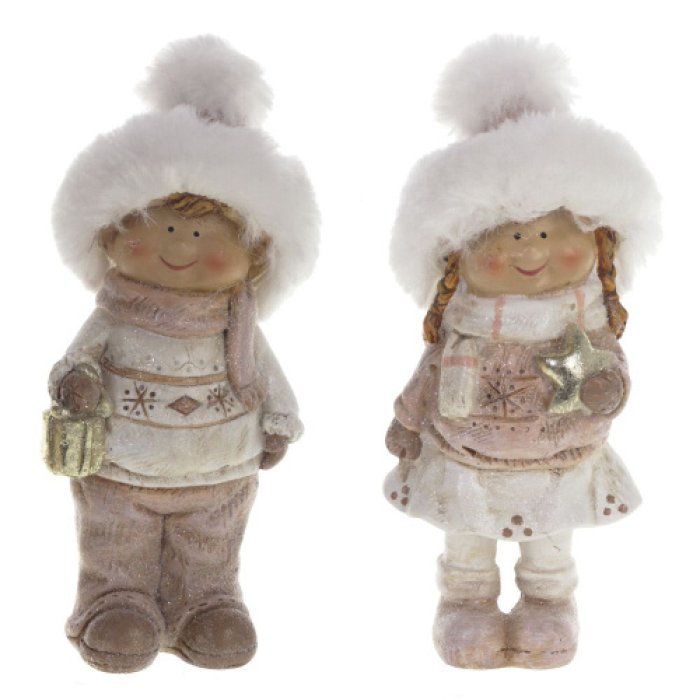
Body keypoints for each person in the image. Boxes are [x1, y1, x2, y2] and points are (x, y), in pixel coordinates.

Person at [384, 35, 660, 669]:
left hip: (555, 460)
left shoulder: (584, 327)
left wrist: (601, 388)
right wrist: (406, 421)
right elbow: (429, 375)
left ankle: (548, 604)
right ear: (457, 256)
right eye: (508, 237)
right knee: (467, 542)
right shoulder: (463, 329)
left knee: (550, 543)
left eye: (546, 233)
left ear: (599, 243)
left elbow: (608, 374)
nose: (530, 251)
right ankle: (466, 604)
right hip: (465, 458)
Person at [47, 36, 319, 672]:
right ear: (113, 235)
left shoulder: (238, 321)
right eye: (164, 227)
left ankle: (207, 604)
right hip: (122, 467)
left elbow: (266, 374)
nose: (181, 246)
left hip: (219, 469)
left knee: (211, 544)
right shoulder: (114, 316)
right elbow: (74, 363)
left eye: (205, 234)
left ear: (255, 253)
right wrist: (77, 384)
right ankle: (116, 602)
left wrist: (279, 421)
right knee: (117, 541)